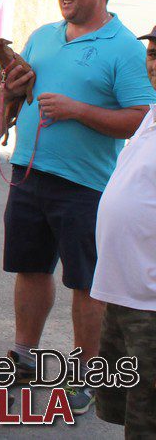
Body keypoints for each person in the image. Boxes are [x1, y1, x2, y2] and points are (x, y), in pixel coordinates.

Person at [0, 0, 154, 414]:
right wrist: (2, 107)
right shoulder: (42, 36)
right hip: (30, 173)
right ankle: (23, 355)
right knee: (30, 268)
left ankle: (84, 377)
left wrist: (79, 111)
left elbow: (140, 119)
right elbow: (16, 91)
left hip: (88, 184)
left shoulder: (126, 48)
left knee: (87, 283)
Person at [91, 78, 156, 437]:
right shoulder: (150, 117)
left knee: (148, 418)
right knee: (129, 409)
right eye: (153, 53)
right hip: (124, 294)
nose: (155, 63)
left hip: (150, 301)